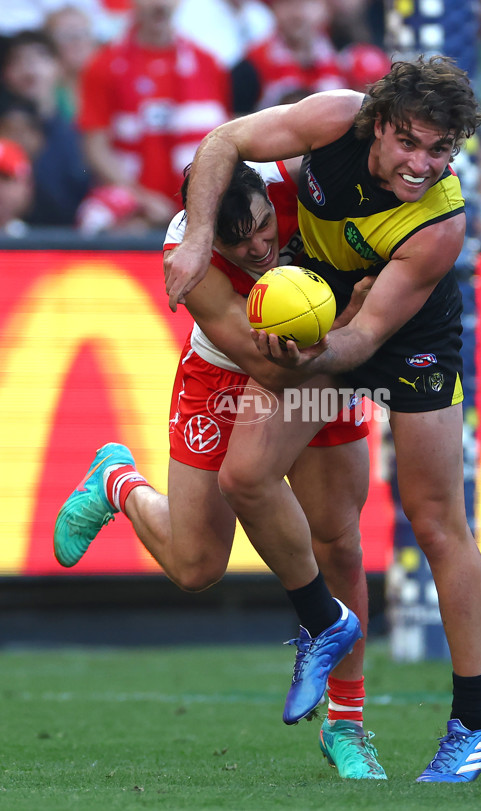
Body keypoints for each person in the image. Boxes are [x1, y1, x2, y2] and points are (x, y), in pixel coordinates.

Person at [164, 54, 481, 783]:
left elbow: (362, 340)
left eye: (441, 149)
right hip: (319, 307)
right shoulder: (336, 118)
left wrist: (321, 349)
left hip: (403, 337)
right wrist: (198, 237)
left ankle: (479, 719)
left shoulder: (440, 224)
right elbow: (223, 141)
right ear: (379, 124)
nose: (423, 163)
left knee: (437, 518)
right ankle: (324, 619)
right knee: (247, 475)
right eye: (412, 142)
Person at [53, 158, 387, 780]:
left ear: (269, 193)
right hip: (233, 372)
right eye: (242, 243)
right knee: (197, 566)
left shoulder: (300, 177)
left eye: (266, 227)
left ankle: (347, 726)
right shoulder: (187, 249)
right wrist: (347, 320)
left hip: (325, 365)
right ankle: (117, 482)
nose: (261, 248)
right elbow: (265, 368)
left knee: (340, 541)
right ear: (211, 235)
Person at [77, 0, 232, 231]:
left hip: (201, 210)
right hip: (135, 213)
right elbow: (96, 149)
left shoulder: (209, 64)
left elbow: (226, 139)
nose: (160, 4)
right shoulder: (103, 65)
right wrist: (141, 198)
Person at [0, 29, 92, 225]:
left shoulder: (81, 134)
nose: (29, 66)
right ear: (5, 74)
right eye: (18, 59)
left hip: (68, 243)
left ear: (59, 67)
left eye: (40, 56)